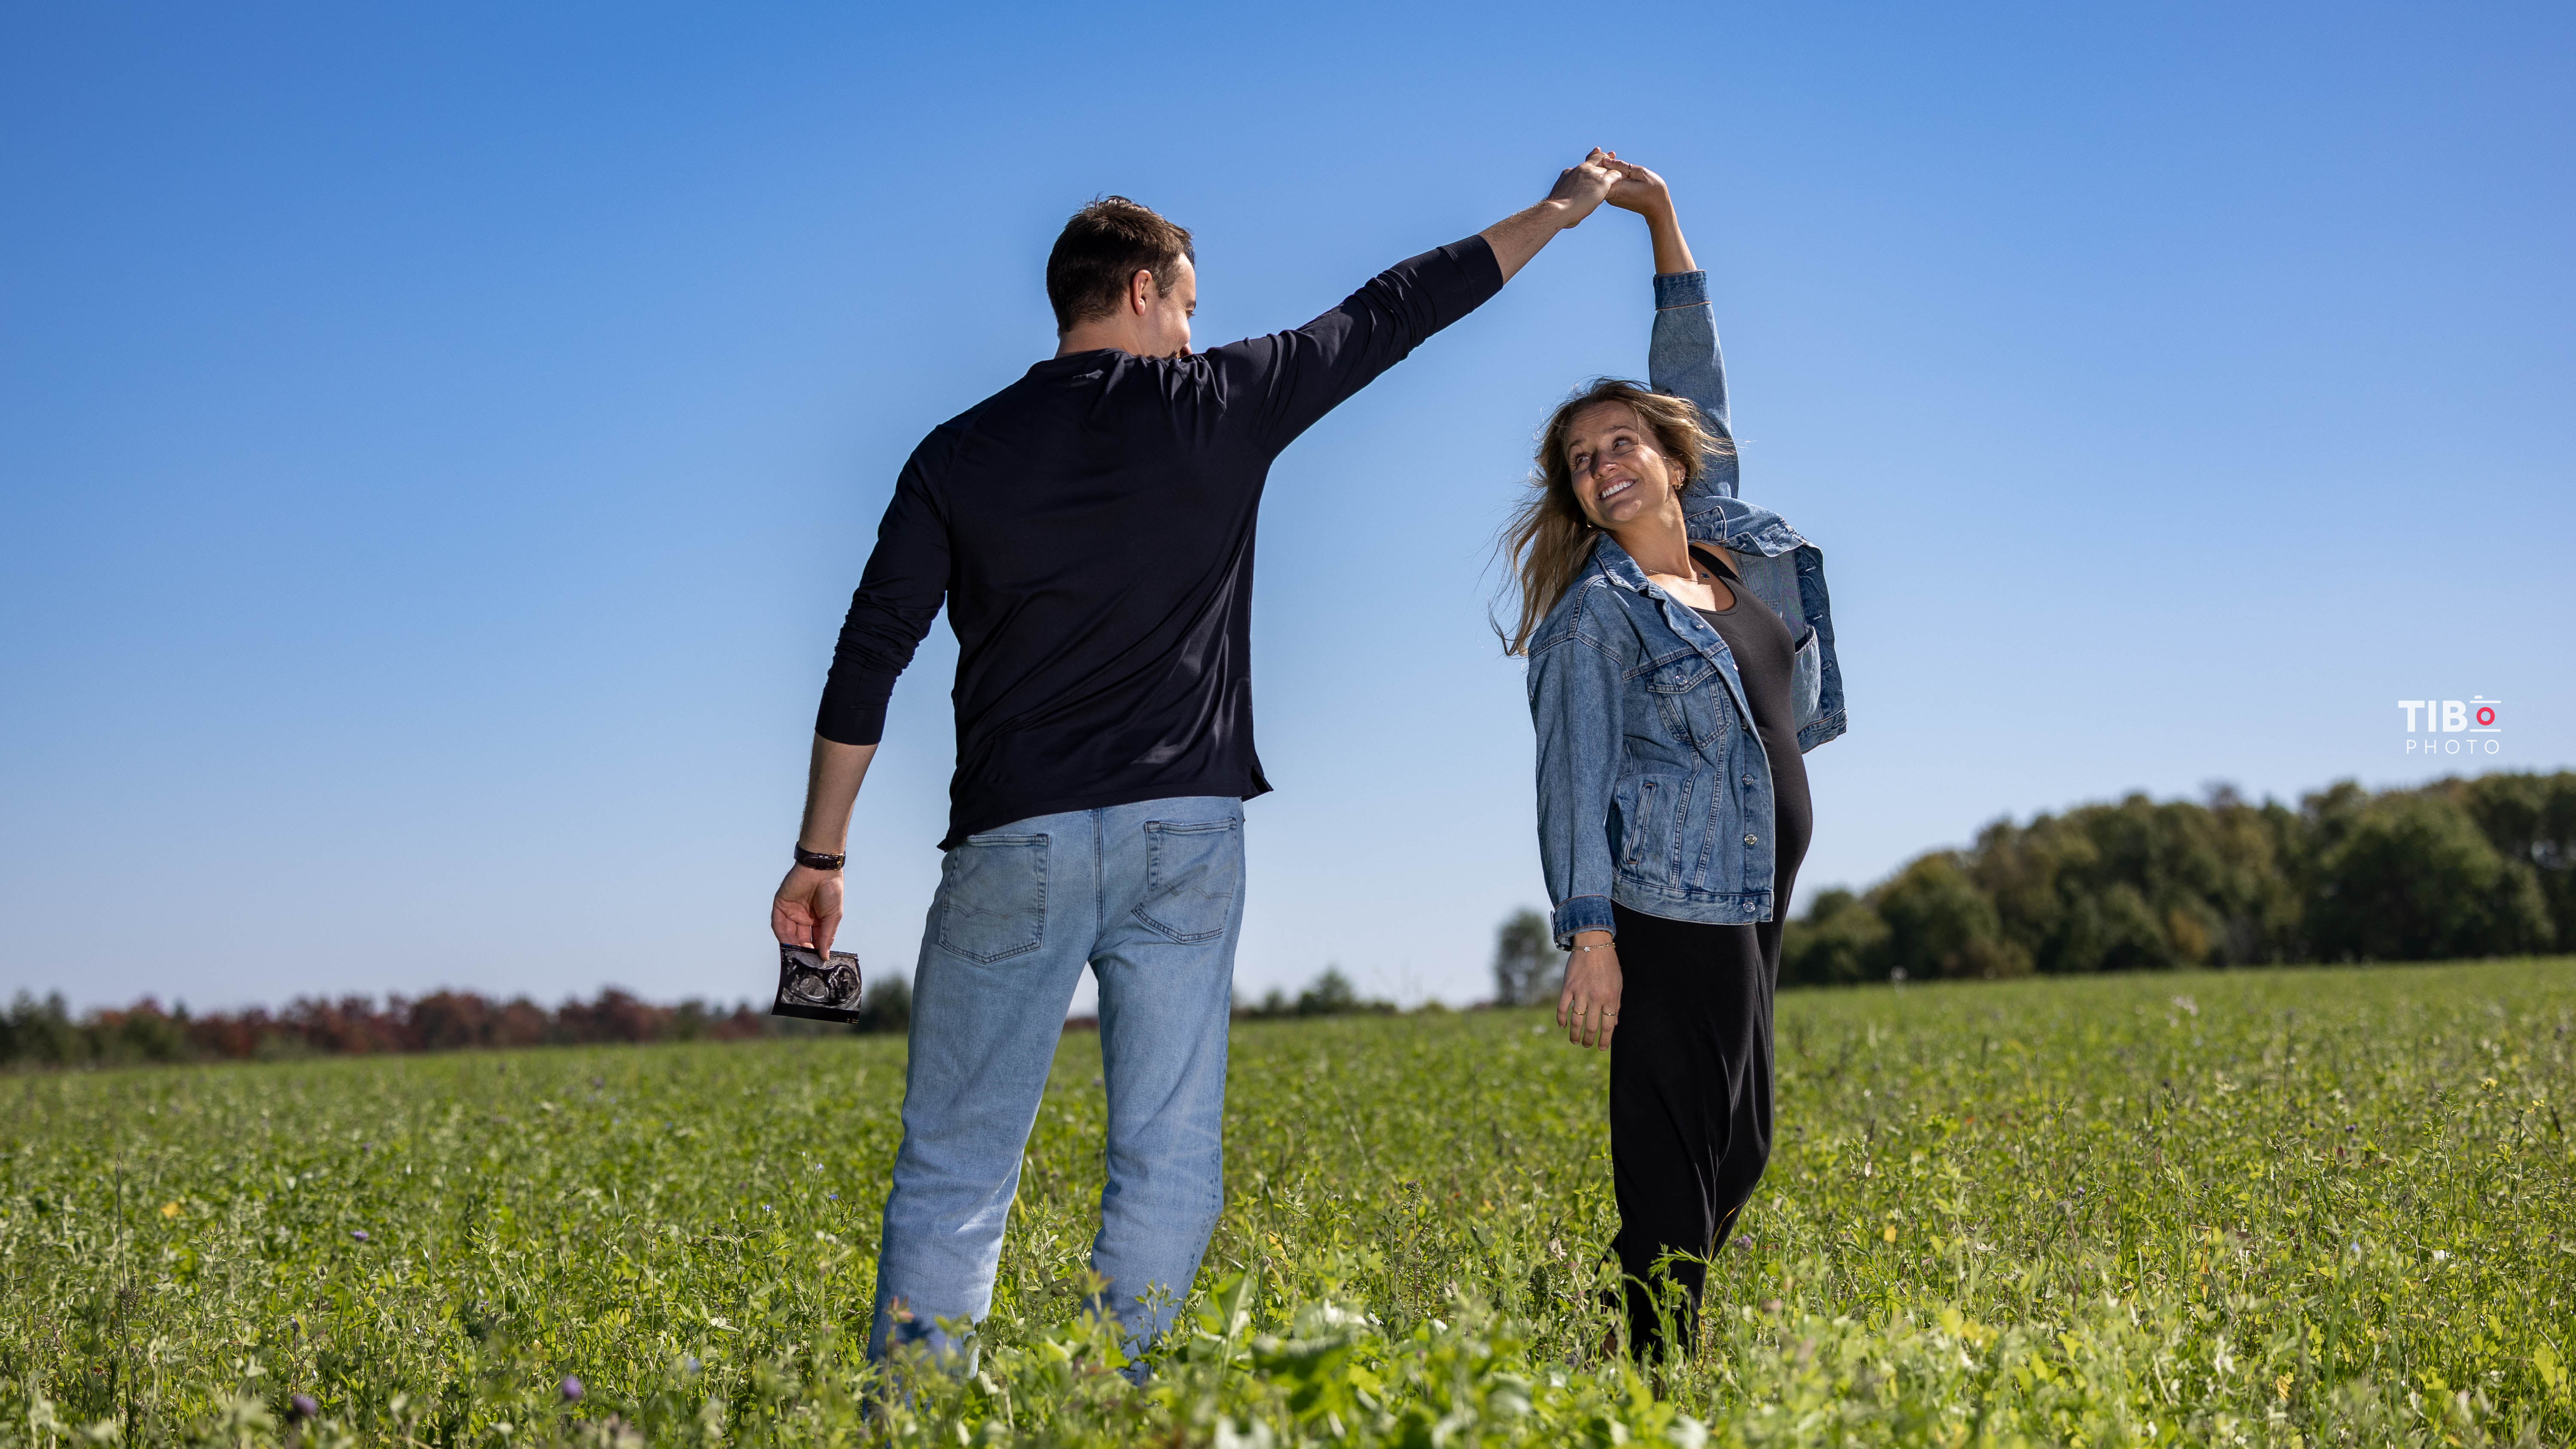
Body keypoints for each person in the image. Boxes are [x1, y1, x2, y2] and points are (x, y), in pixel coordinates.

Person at [774, 151, 1627, 1373]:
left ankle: (922, 1420)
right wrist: (1558, 211)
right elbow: (1394, 310)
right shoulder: (1218, 402)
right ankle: (1113, 1406)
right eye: (1186, 301)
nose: (1193, 328)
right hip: (1186, 836)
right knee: (1166, 1158)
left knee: (956, 1163)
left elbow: (870, 656)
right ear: (1138, 290)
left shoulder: (953, 456)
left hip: (1013, 839)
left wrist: (821, 854)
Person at [1504, 158, 1847, 1363]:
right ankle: (1657, 1374)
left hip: (1755, 899)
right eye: (1583, 462)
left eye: (1621, 442)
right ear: (1585, 503)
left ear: (1671, 456)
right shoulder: (1596, 621)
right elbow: (1569, 782)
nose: (1605, 463)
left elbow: (1695, 371)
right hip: (1665, 906)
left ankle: (1644, 1333)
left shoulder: (1728, 555)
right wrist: (1589, 937)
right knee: (1673, 1145)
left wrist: (1658, 219)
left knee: (1740, 1143)